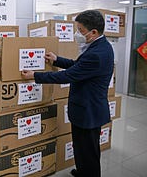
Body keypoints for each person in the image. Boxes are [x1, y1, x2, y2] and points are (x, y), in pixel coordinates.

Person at [21, 10, 114, 177]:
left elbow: (69, 75)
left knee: (88, 153)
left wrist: (35, 75)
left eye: (80, 30)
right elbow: (77, 66)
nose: (77, 34)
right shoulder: (99, 46)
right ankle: (83, 171)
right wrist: (57, 60)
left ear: (93, 32)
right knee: (82, 149)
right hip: (87, 110)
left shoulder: (97, 54)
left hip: (88, 112)